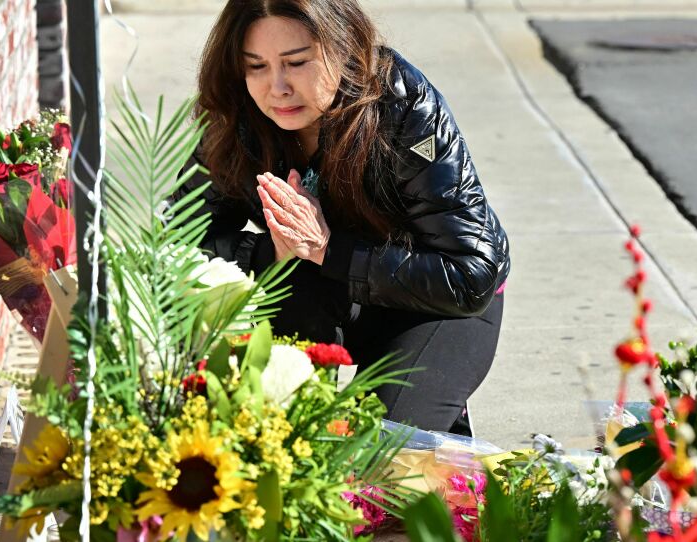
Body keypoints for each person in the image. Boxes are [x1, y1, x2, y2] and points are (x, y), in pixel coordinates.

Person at [170, 0, 510, 436]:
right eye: (255, 66)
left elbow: (471, 274)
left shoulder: (403, 106)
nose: (277, 87)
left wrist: (328, 249)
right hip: (318, 290)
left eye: (297, 63)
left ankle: (428, 406)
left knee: (382, 453)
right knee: (277, 436)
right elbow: (180, 240)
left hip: (437, 301)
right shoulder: (235, 115)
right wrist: (269, 252)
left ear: (344, 47)